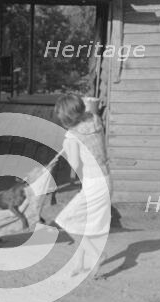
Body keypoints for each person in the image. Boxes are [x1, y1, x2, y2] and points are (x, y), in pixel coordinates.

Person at [53, 94, 111, 276]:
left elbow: (75, 165)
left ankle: (96, 255)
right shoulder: (95, 120)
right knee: (89, 225)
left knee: (65, 220)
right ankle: (80, 263)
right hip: (106, 180)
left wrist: (68, 147)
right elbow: (89, 109)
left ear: (66, 119)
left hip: (94, 184)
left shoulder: (71, 137)